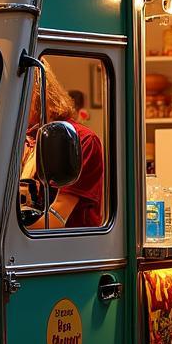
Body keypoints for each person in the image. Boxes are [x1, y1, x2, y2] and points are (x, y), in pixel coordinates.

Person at [20, 61, 104, 229]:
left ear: (38, 94)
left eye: (20, 97)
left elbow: (58, 217)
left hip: (70, 249)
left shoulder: (80, 140)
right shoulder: (21, 141)